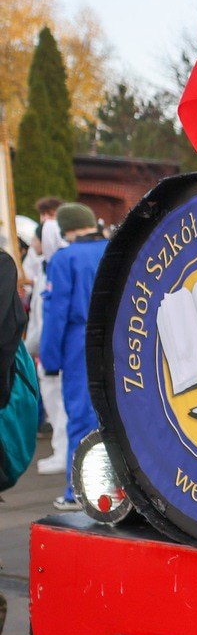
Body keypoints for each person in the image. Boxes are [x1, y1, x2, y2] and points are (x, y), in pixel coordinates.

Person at [40, 203, 105, 510]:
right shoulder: (113, 248)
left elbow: (56, 314)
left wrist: (50, 361)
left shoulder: (65, 259)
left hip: (80, 342)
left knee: (81, 418)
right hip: (117, 338)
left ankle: (78, 493)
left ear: (66, 229)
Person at [31, 197, 67, 476]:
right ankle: (61, 450)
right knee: (55, 402)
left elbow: (51, 316)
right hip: (48, 347)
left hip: (56, 349)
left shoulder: (58, 266)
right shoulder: (44, 269)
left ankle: (64, 452)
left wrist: (41, 350)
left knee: (60, 403)